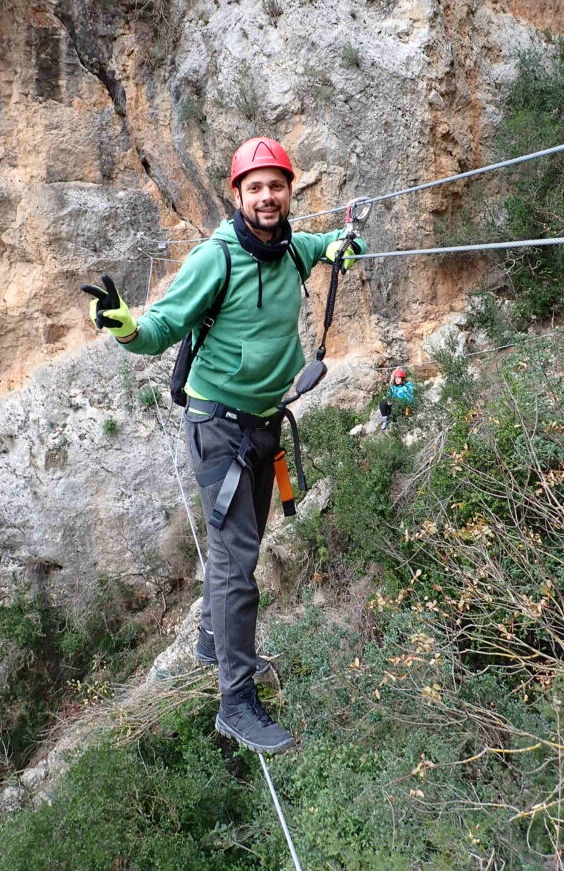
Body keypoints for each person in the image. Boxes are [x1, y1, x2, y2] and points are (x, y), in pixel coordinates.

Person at [83, 137, 366, 754]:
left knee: (246, 540)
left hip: (265, 422)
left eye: (277, 185)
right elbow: (159, 329)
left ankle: (212, 635)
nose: (267, 197)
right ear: (236, 196)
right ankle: (235, 702)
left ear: (290, 193)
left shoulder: (291, 244)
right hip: (220, 428)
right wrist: (127, 326)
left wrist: (338, 246)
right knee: (239, 567)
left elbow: (315, 246)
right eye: (255, 187)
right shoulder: (216, 258)